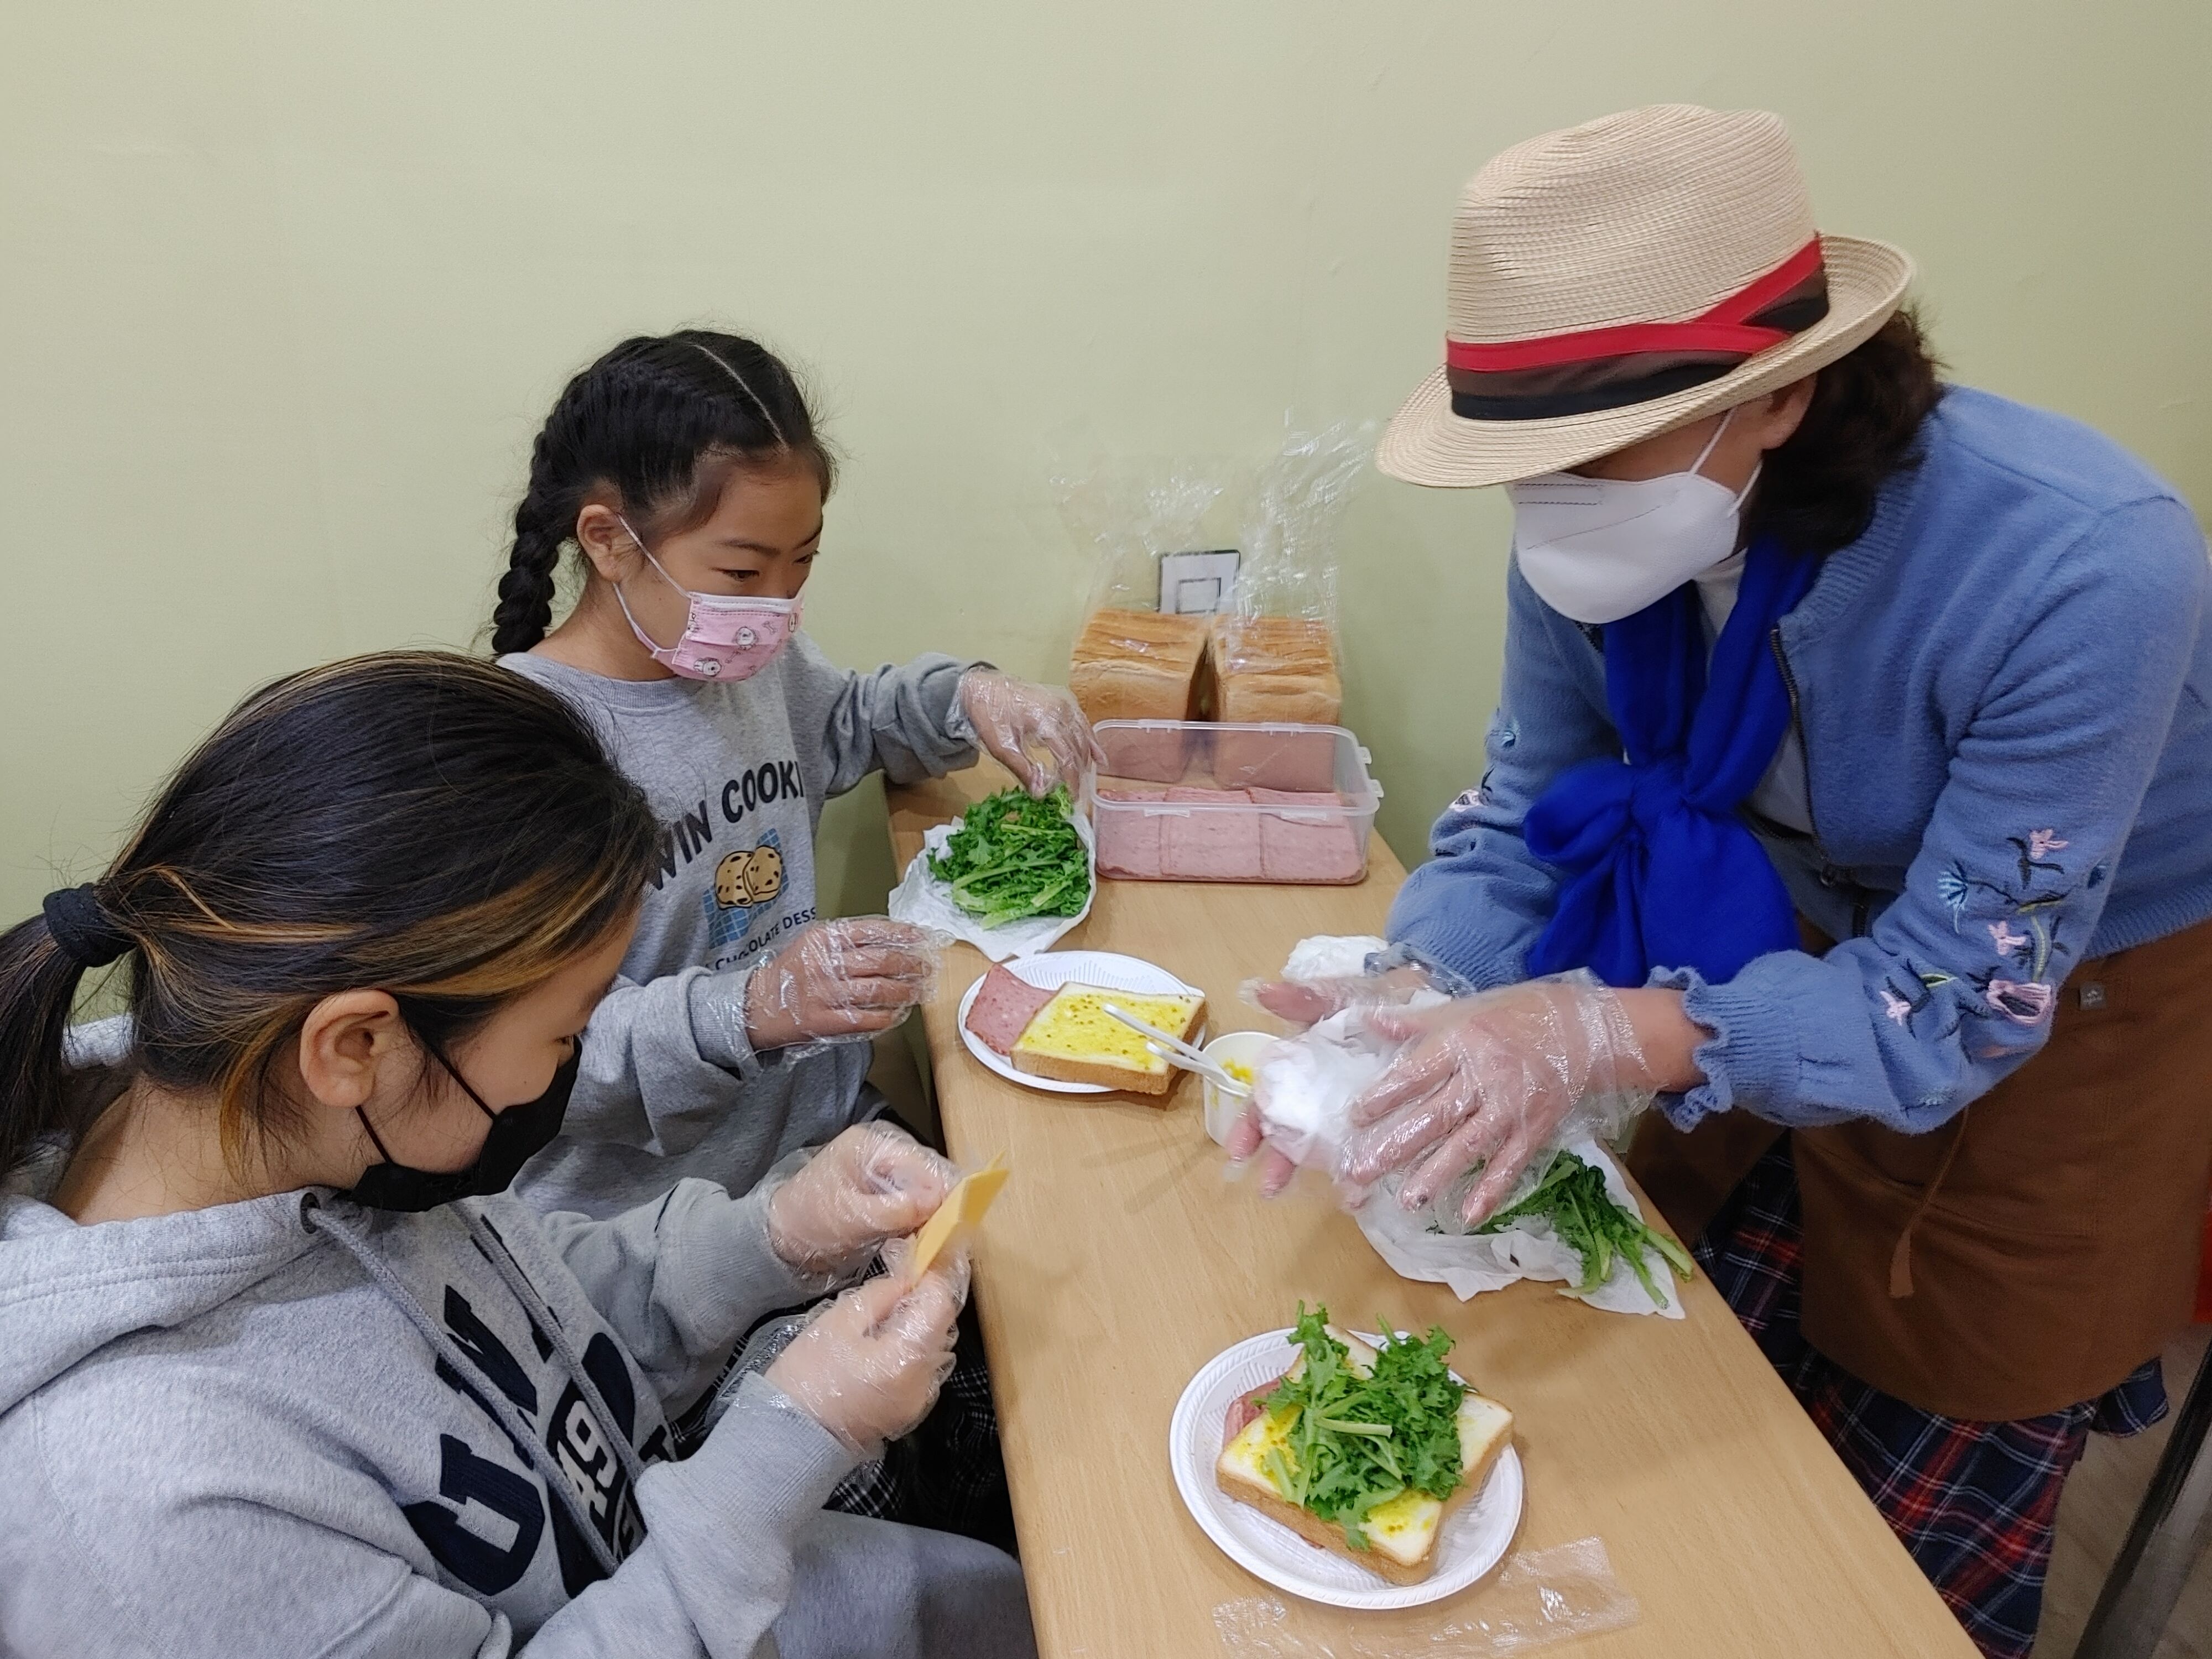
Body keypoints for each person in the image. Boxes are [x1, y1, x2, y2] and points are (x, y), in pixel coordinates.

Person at [1235, 105, 2212, 1659]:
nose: (1545, 505)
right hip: (1781, 931)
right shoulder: (1610, 524)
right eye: (1521, 468)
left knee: (1898, 1483)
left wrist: (1600, 1032)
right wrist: (1409, 995)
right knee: (1683, 1380)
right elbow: (1524, 806)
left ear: (1779, 398)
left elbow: (1949, 1003)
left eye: (1583, 457)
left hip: (2068, 999)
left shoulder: (2085, 567)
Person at [0, 652, 1035, 1658]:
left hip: (689, 1555)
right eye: (565, 1033)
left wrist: (776, 1233)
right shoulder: (145, 1511)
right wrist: (793, 1439)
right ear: (357, 1046)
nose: (571, 1070)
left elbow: (524, 1311)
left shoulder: (287, 1134)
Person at [490, 329, 1097, 1218]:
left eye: (802, 562)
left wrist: (969, 697)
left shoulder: (748, 664)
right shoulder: (519, 749)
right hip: (651, 1226)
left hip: (821, 1137)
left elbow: (848, 718)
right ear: (610, 541)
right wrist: (753, 1006)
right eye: (741, 570)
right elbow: (532, 1062)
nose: (774, 604)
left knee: (1050, 1225)